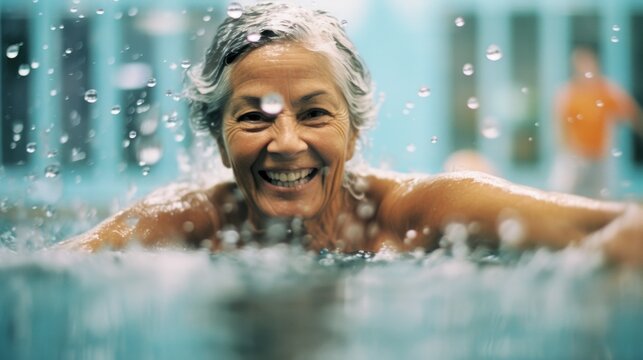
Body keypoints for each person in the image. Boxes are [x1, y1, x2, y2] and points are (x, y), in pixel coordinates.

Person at [56, 2, 643, 265]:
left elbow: (622, 224)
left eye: (314, 114)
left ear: (356, 130)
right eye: (254, 116)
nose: (286, 142)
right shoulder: (188, 221)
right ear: (216, 136)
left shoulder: (417, 212)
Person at [549, 47, 643, 198]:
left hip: (600, 156)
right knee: (564, 194)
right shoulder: (567, 93)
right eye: (580, 65)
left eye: (587, 64)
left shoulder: (608, 90)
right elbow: (559, 125)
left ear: (596, 65)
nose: (584, 69)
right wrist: (567, 151)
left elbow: (632, 114)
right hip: (574, 156)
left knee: (600, 196)